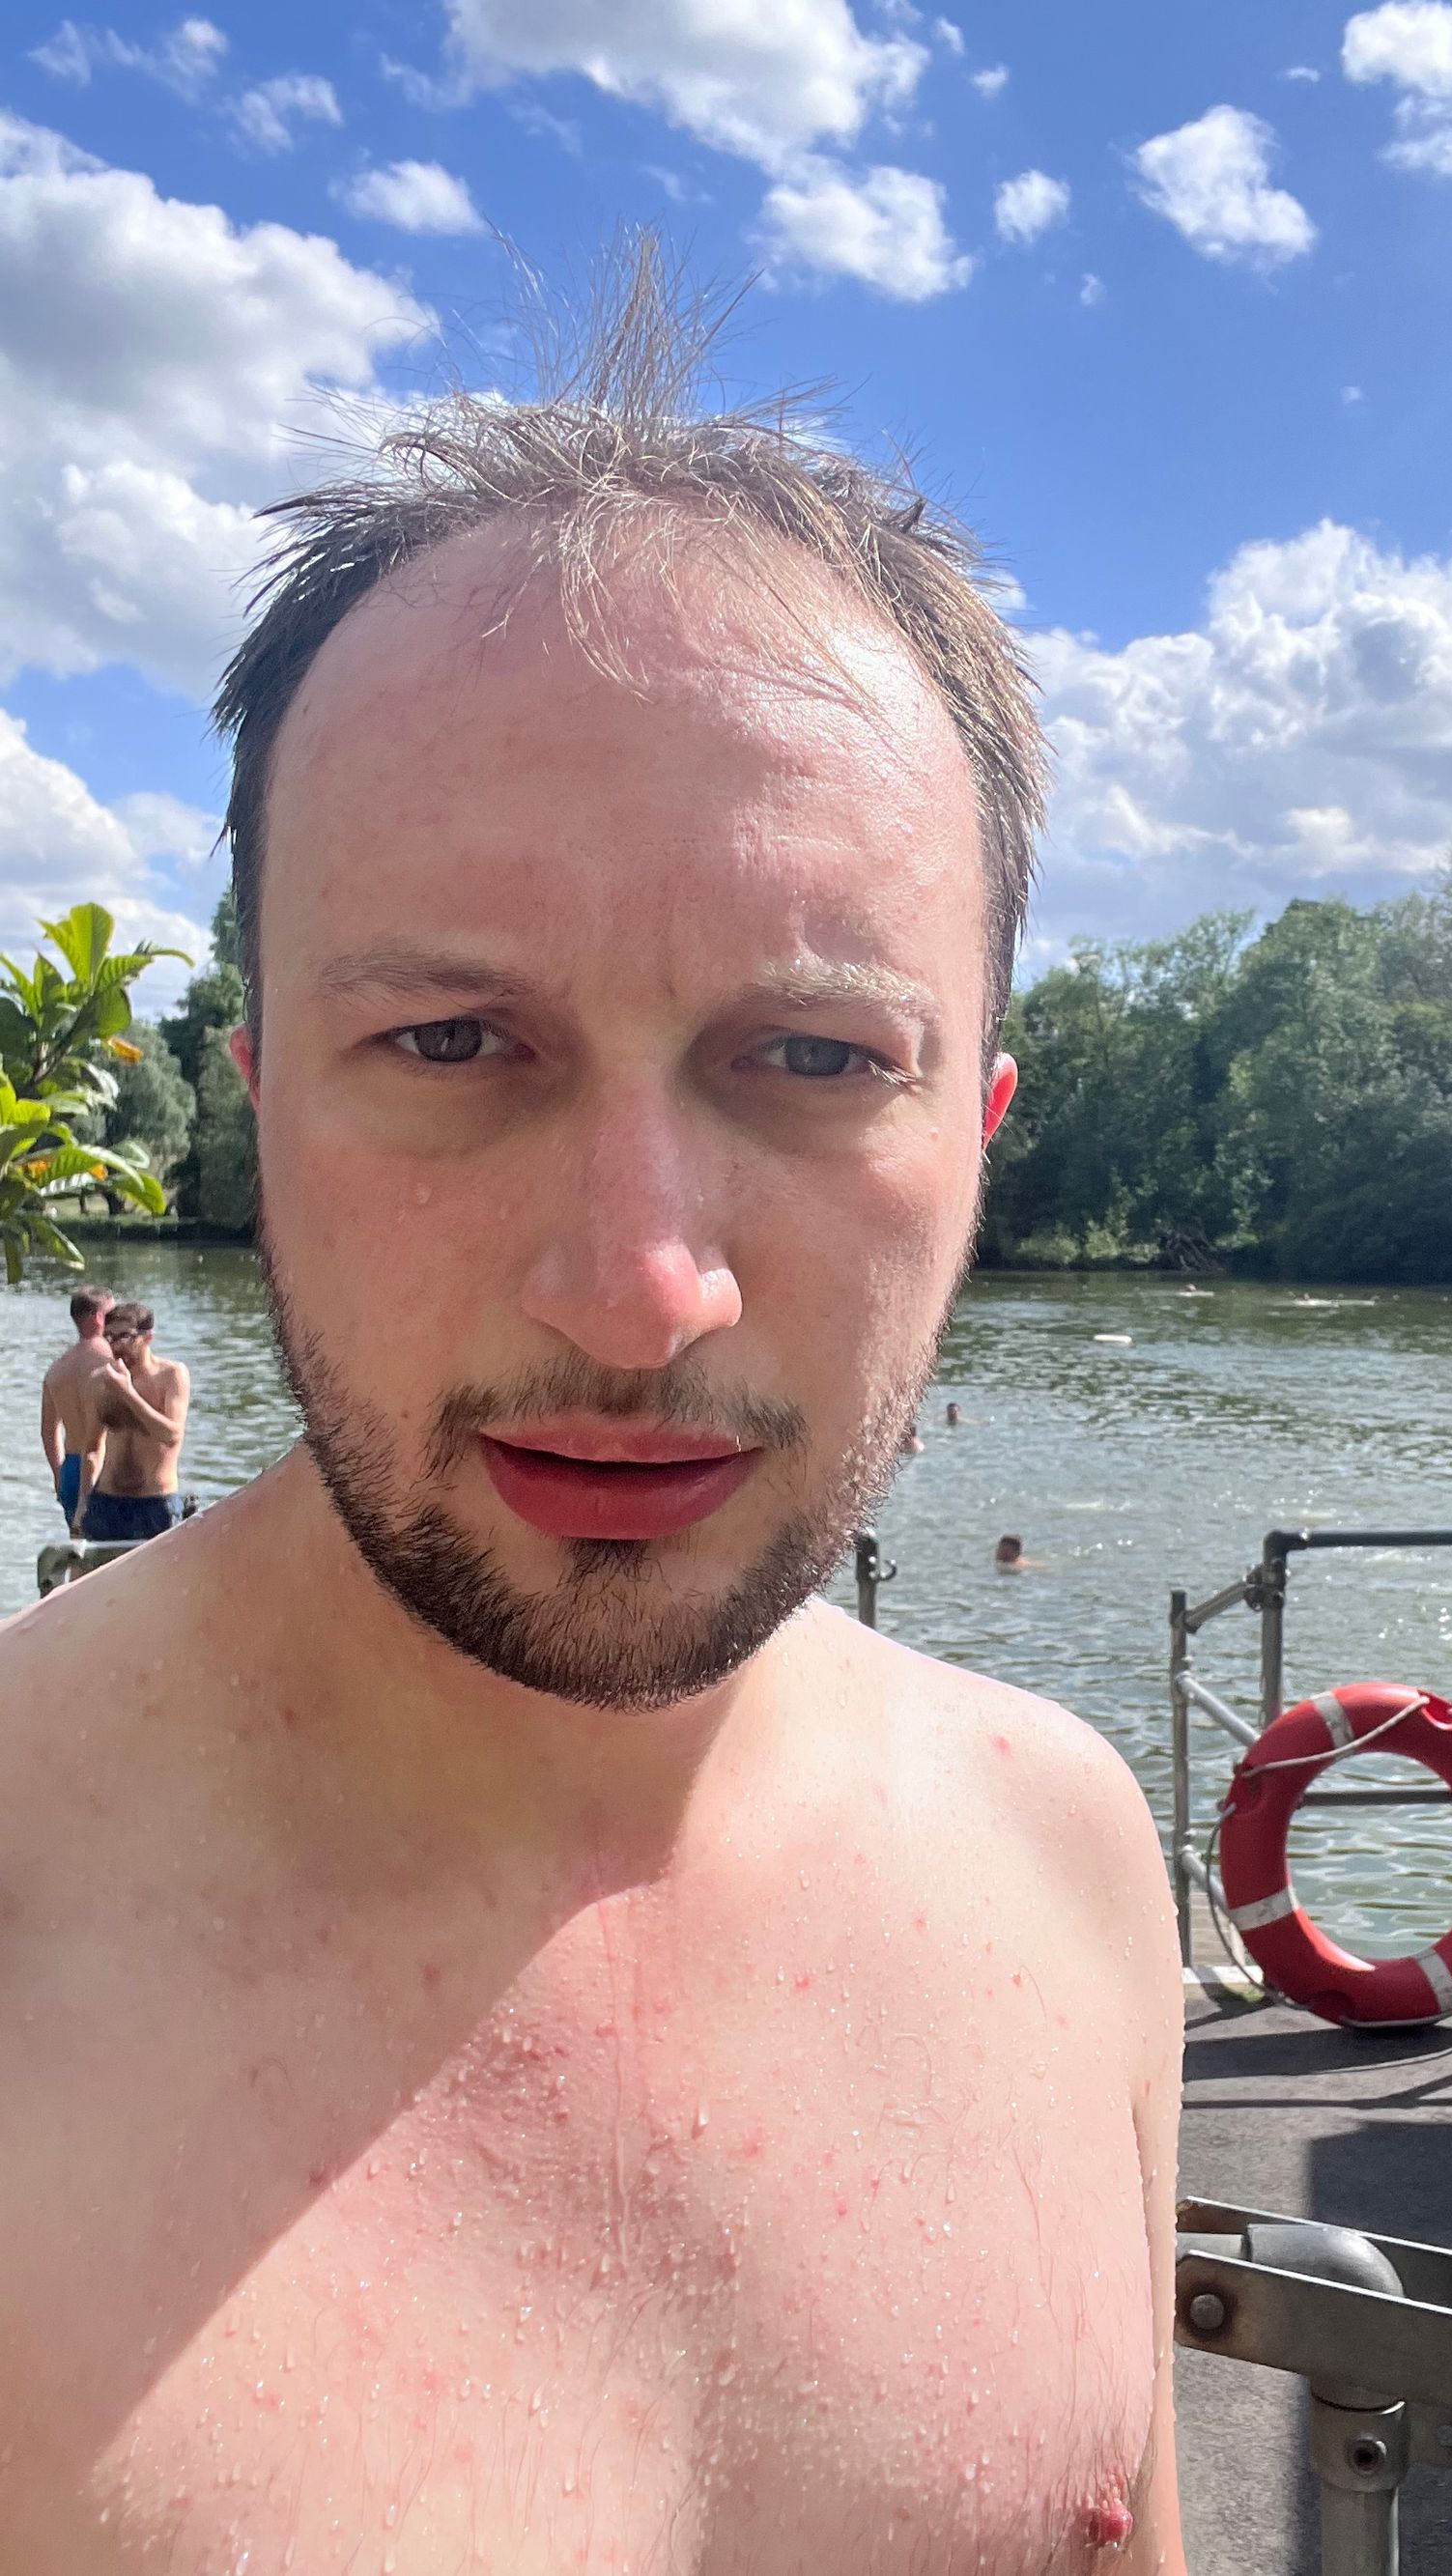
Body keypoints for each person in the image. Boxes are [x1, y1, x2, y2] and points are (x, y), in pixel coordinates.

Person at [0, 251, 1184, 2573]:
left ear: (977, 1137)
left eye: (816, 1058)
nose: (641, 1294)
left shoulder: (1065, 1863)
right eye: (450, 1042)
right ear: (253, 1111)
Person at [74, 1300, 191, 1543]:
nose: (116, 1345)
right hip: (107, 1502)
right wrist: (82, 1505)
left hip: (155, 1504)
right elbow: (92, 1448)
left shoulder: (171, 1376)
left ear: (148, 1337)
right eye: (109, 1337)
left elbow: (171, 1435)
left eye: (125, 1337)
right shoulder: (99, 1382)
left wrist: (127, 1393)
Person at [39, 1284, 116, 1531]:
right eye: (113, 1314)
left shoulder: (56, 1370)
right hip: (107, 1466)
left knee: (80, 1555)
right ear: (99, 1317)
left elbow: (48, 1430)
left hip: (71, 1468)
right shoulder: (112, 1361)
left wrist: (59, 1476)